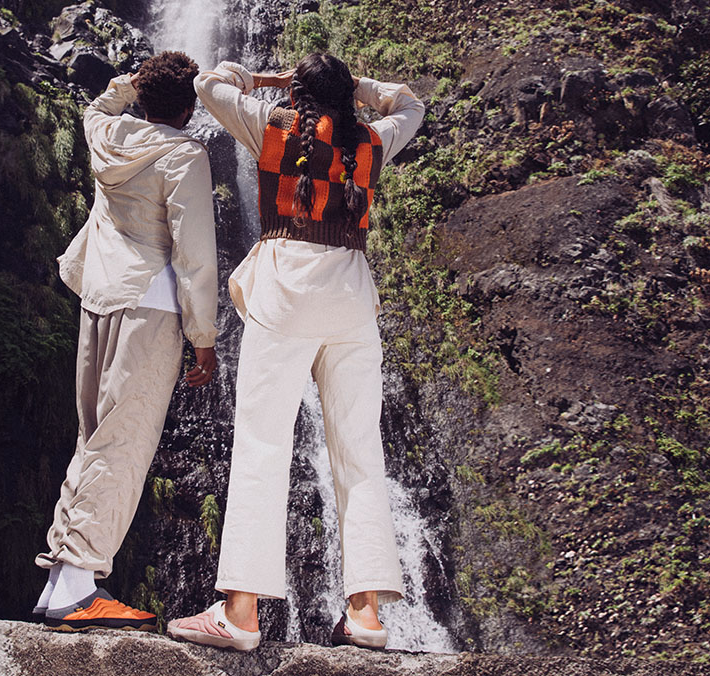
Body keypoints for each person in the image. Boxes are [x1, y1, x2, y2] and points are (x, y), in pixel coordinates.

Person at [166, 54, 425, 651]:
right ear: (348, 97)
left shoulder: (269, 124)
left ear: (298, 93)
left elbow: (210, 82)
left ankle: (242, 612)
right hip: (351, 293)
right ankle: (365, 615)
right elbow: (410, 102)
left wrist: (269, 81)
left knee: (263, 440)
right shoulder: (373, 139)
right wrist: (359, 87)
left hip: (286, 287)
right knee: (360, 449)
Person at [32, 51, 219, 632]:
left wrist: (127, 84)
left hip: (100, 297)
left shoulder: (107, 133)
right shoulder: (185, 154)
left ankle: (61, 578)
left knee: (95, 436)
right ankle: (78, 586)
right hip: (152, 305)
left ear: (142, 96)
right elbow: (194, 256)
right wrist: (204, 338)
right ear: (190, 107)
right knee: (126, 441)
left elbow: (95, 106)